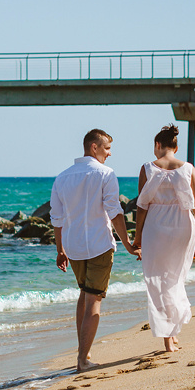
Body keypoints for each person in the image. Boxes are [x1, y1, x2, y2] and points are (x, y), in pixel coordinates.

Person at [51, 129, 140, 372]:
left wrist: (60, 250)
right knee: (93, 299)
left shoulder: (62, 177)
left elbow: (57, 218)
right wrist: (128, 244)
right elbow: (114, 211)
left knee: (84, 294)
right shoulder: (105, 174)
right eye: (107, 148)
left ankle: (85, 352)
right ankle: (82, 360)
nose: (109, 154)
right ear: (94, 147)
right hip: (99, 245)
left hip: (73, 247)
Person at [132, 124, 195, 353]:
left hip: (156, 226)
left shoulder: (147, 168)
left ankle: (168, 336)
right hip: (183, 225)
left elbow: (141, 206)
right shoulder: (188, 168)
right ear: (175, 147)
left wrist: (137, 236)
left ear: (158, 145)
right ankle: (172, 331)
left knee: (157, 280)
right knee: (175, 278)